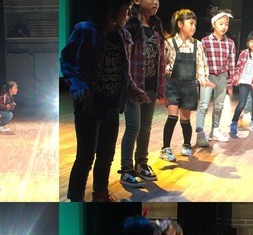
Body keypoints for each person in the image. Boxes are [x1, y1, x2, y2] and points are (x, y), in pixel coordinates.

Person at [60, 0, 149, 202]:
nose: (129, 14)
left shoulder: (124, 35)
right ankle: (75, 198)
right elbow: (67, 60)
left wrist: (133, 89)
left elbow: (123, 72)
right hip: (89, 107)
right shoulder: (85, 30)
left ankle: (100, 194)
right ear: (111, 10)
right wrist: (76, 83)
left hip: (112, 107)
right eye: (126, 9)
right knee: (85, 157)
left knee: (107, 155)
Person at [118, 0, 165, 187]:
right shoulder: (129, 27)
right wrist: (129, 86)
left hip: (151, 86)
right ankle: (126, 169)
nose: (155, 2)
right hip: (133, 87)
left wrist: (161, 87)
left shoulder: (156, 27)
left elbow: (161, 60)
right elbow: (125, 60)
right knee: (133, 127)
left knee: (146, 127)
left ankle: (141, 163)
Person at [160, 9, 214, 162]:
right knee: (172, 116)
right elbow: (163, 64)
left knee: (185, 119)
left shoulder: (197, 44)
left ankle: (186, 144)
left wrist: (203, 80)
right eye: (191, 23)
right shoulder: (169, 43)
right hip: (172, 84)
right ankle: (165, 148)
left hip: (189, 85)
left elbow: (201, 65)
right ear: (180, 24)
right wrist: (161, 87)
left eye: (195, 24)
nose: (193, 27)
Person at [195, 8, 235, 145]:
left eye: (226, 24)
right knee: (204, 105)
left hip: (222, 77)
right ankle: (200, 134)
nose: (224, 27)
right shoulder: (205, 41)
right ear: (213, 24)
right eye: (221, 23)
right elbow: (200, 61)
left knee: (219, 105)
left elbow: (231, 63)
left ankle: (215, 130)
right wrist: (200, 78)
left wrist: (230, 82)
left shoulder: (230, 43)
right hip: (208, 77)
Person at [229, 31, 253, 137]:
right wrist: (236, 76)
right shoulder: (244, 53)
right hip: (244, 81)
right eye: (251, 41)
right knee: (242, 104)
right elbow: (238, 67)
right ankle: (234, 122)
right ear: (248, 43)